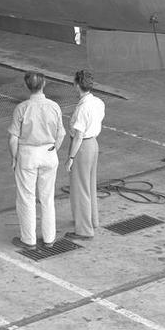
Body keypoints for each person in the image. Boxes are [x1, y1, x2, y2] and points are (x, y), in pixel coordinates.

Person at [8, 71, 65, 249]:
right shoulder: (54, 106)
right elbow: (61, 134)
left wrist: (14, 158)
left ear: (27, 86)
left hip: (28, 154)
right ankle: (49, 238)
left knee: (27, 198)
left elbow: (13, 139)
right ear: (44, 84)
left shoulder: (22, 108)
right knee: (47, 198)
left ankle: (29, 239)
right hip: (48, 152)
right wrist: (53, 149)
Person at [65, 69, 104, 240]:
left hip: (82, 147)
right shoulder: (98, 102)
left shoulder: (83, 108)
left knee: (80, 189)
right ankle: (92, 219)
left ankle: (84, 230)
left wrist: (71, 158)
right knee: (90, 184)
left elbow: (79, 135)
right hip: (93, 144)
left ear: (76, 85)